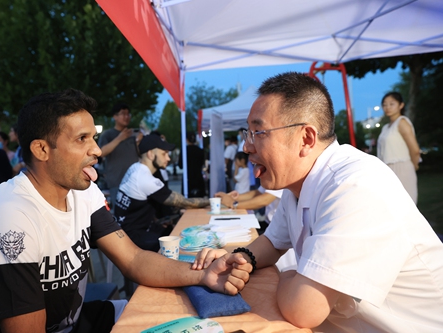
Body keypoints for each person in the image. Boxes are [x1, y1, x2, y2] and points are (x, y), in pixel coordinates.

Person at [0, 89, 251, 333]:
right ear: (41, 150)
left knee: (182, 319)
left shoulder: (83, 192)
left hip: (77, 322)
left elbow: (134, 259)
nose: (97, 150)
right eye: (81, 139)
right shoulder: (9, 216)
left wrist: (202, 275)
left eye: (94, 138)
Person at [193, 72, 443, 331]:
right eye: (248, 132)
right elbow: (273, 242)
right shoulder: (297, 185)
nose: (247, 146)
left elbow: (304, 310)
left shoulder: (356, 185)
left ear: (306, 139)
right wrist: (240, 257)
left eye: (259, 132)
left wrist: (287, 274)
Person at [114, 134, 211, 252]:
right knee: (180, 246)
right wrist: (214, 201)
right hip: (132, 237)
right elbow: (185, 202)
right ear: (150, 154)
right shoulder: (145, 178)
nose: (168, 158)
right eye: (164, 154)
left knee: (174, 230)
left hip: (127, 230)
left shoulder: (135, 168)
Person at [377, 92, 420, 203]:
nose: (387, 107)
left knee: (406, 205)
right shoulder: (386, 127)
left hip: (402, 168)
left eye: (392, 104)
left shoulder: (402, 122)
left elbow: (414, 149)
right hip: (388, 170)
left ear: (401, 105)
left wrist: (414, 166)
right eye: (385, 104)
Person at [98, 103, 143, 209]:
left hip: (135, 182)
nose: (126, 116)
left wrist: (138, 142)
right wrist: (120, 138)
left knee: (137, 213)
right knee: (121, 213)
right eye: (123, 114)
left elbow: (140, 154)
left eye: (128, 114)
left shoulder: (133, 134)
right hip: (117, 182)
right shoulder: (108, 134)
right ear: (115, 116)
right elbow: (101, 152)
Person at [178, 131, 206, 198]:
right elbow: (202, 164)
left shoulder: (184, 151)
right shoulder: (200, 151)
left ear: (186, 139)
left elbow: (180, 165)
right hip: (199, 178)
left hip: (187, 179)